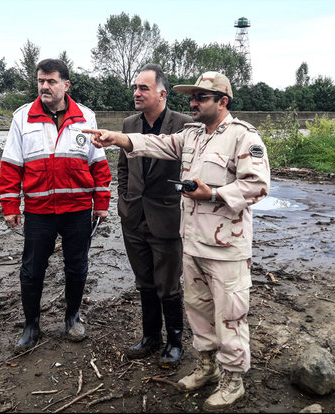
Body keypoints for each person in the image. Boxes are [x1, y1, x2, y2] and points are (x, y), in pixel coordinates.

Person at [84, 71, 270, 411]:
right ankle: (207, 367)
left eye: (201, 98)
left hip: (227, 247)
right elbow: (155, 144)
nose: (193, 103)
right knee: (198, 311)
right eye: (192, 97)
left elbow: (257, 185)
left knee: (229, 314)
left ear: (222, 102)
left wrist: (213, 193)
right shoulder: (192, 136)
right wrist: (116, 138)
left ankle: (233, 380)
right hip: (193, 241)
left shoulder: (243, 137)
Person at [0, 59, 111, 352]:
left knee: (77, 267)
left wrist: (101, 203)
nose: (44, 86)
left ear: (66, 85)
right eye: (40, 81)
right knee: (32, 269)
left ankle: (72, 317)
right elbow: (11, 165)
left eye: (50, 81)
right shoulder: (22, 117)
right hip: (39, 211)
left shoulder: (86, 117)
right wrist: (10, 205)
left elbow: (98, 164)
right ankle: (31, 325)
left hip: (76, 210)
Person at [119, 64, 192, 368]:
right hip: (134, 216)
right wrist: (124, 200)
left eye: (143, 88)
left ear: (162, 93)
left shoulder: (185, 125)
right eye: (135, 88)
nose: (136, 93)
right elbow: (123, 168)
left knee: (168, 284)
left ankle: (175, 342)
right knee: (144, 281)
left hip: (167, 217)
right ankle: (151, 338)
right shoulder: (128, 124)